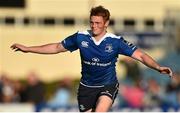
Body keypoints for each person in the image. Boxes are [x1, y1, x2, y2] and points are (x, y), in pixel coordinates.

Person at [10, 5, 173, 112]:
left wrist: (158, 67)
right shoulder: (81, 38)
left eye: (98, 22)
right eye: (92, 22)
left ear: (106, 23)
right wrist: (29, 49)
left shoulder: (115, 42)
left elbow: (141, 56)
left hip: (107, 85)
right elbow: (56, 47)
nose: (94, 26)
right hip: (86, 87)